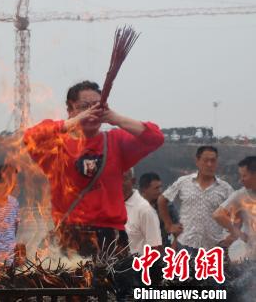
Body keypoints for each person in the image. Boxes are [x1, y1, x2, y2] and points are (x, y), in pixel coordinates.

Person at [23, 80, 164, 255]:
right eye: (84, 107)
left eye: (97, 106)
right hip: (70, 234)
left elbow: (156, 137)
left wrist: (115, 118)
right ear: (70, 110)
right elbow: (30, 137)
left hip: (109, 236)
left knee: (112, 281)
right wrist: (74, 122)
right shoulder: (57, 146)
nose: (91, 112)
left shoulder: (115, 142)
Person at [158, 146, 233, 253]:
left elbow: (240, 212)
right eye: (205, 160)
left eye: (213, 161)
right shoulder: (183, 182)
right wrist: (168, 225)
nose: (209, 164)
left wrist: (232, 236)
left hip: (214, 247)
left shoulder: (225, 188)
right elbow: (162, 200)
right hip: (185, 244)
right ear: (197, 161)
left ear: (217, 163)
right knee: (184, 270)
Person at [213, 156, 256, 259]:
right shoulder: (241, 195)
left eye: (244, 176)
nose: (241, 180)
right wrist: (237, 233)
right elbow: (218, 215)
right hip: (251, 256)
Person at [123, 169, 162, 256]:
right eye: (115, 178)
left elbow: (155, 247)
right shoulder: (109, 205)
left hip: (137, 266)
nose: (118, 182)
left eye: (123, 178)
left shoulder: (145, 210)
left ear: (133, 181)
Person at [138, 172, 178, 248]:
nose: (160, 191)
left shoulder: (167, 206)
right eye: (156, 188)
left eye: (160, 187)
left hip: (165, 251)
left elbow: (178, 229)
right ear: (144, 189)